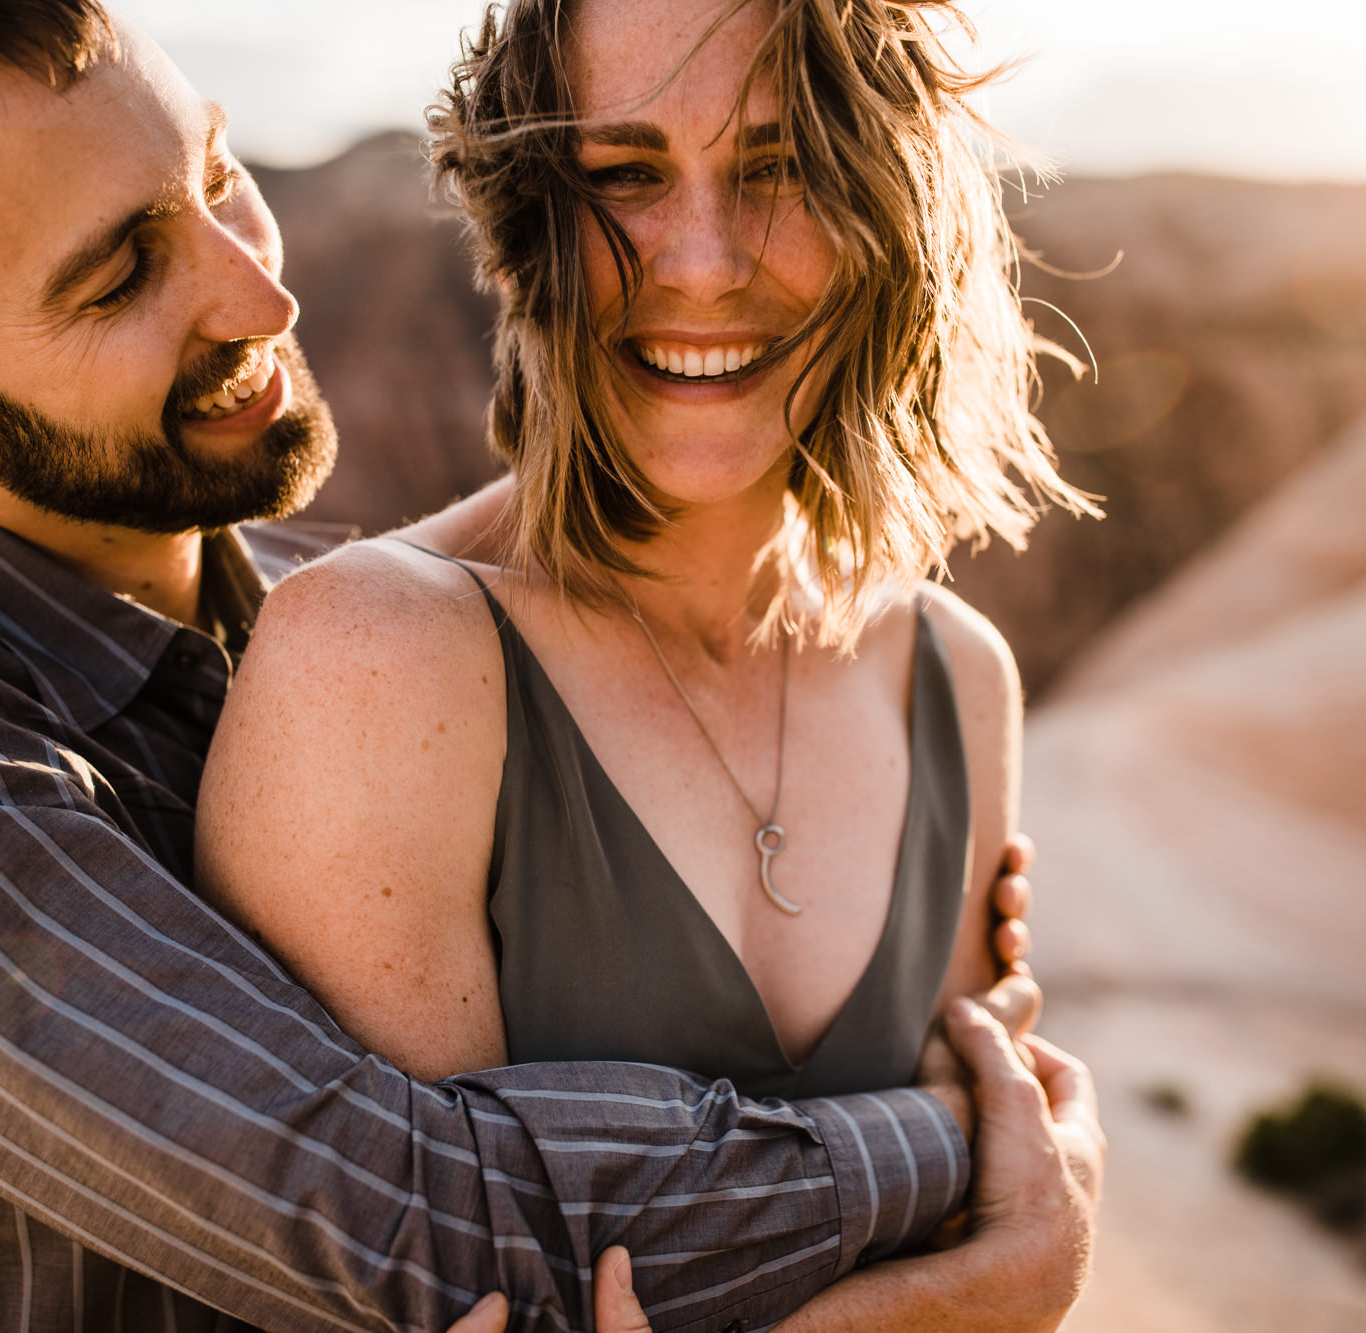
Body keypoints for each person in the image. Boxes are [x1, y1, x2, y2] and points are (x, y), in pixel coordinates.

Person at [0, 0, 1102, 1330]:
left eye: (217, 177)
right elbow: (422, 1223)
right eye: (118, 277)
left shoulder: (332, 605)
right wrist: (984, 1150)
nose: (259, 299)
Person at [197, 0, 1099, 1325]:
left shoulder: (958, 680)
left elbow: (962, 1186)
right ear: (523, 227)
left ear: (888, 209)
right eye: (622, 176)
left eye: (780, 165)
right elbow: (438, 1301)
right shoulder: (380, 661)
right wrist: (1003, 1285)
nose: (703, 259)